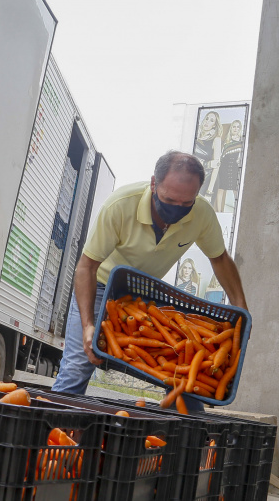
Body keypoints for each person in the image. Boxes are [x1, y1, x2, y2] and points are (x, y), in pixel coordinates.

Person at [52, 151, 248, 412]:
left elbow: (220, 259)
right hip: (99, 287)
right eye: (169, 199)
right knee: (78, 365)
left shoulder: (201, 214)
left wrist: (241, 311)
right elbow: (86, 267)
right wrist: (89, 325)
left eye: (185, 203)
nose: (176, 209)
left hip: (143, 297)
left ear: (197, 195)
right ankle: (47, 441)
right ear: (154, 183)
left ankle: (181, 442)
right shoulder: (120, 205)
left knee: (186, 374)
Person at [212, 119, 244, 212]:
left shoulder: (243, 141)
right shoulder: (227, 141)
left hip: (235, 167)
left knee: (235, 189)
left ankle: (237, 210)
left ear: (240, 129)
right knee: (220, 188)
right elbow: (222, 156)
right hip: (224, 167)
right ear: (231, 128)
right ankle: (219, 211)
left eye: (238, 127)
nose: (236, 128)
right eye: (234, 126)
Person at [193, 111, 222, 201]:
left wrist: (209, 192)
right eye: (207, 118)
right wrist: (208, 164)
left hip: (207, 180)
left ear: (214, 125)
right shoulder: (196, 135)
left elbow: (216, 166)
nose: (207, 122)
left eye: (211, 120)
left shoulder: (216, 139)